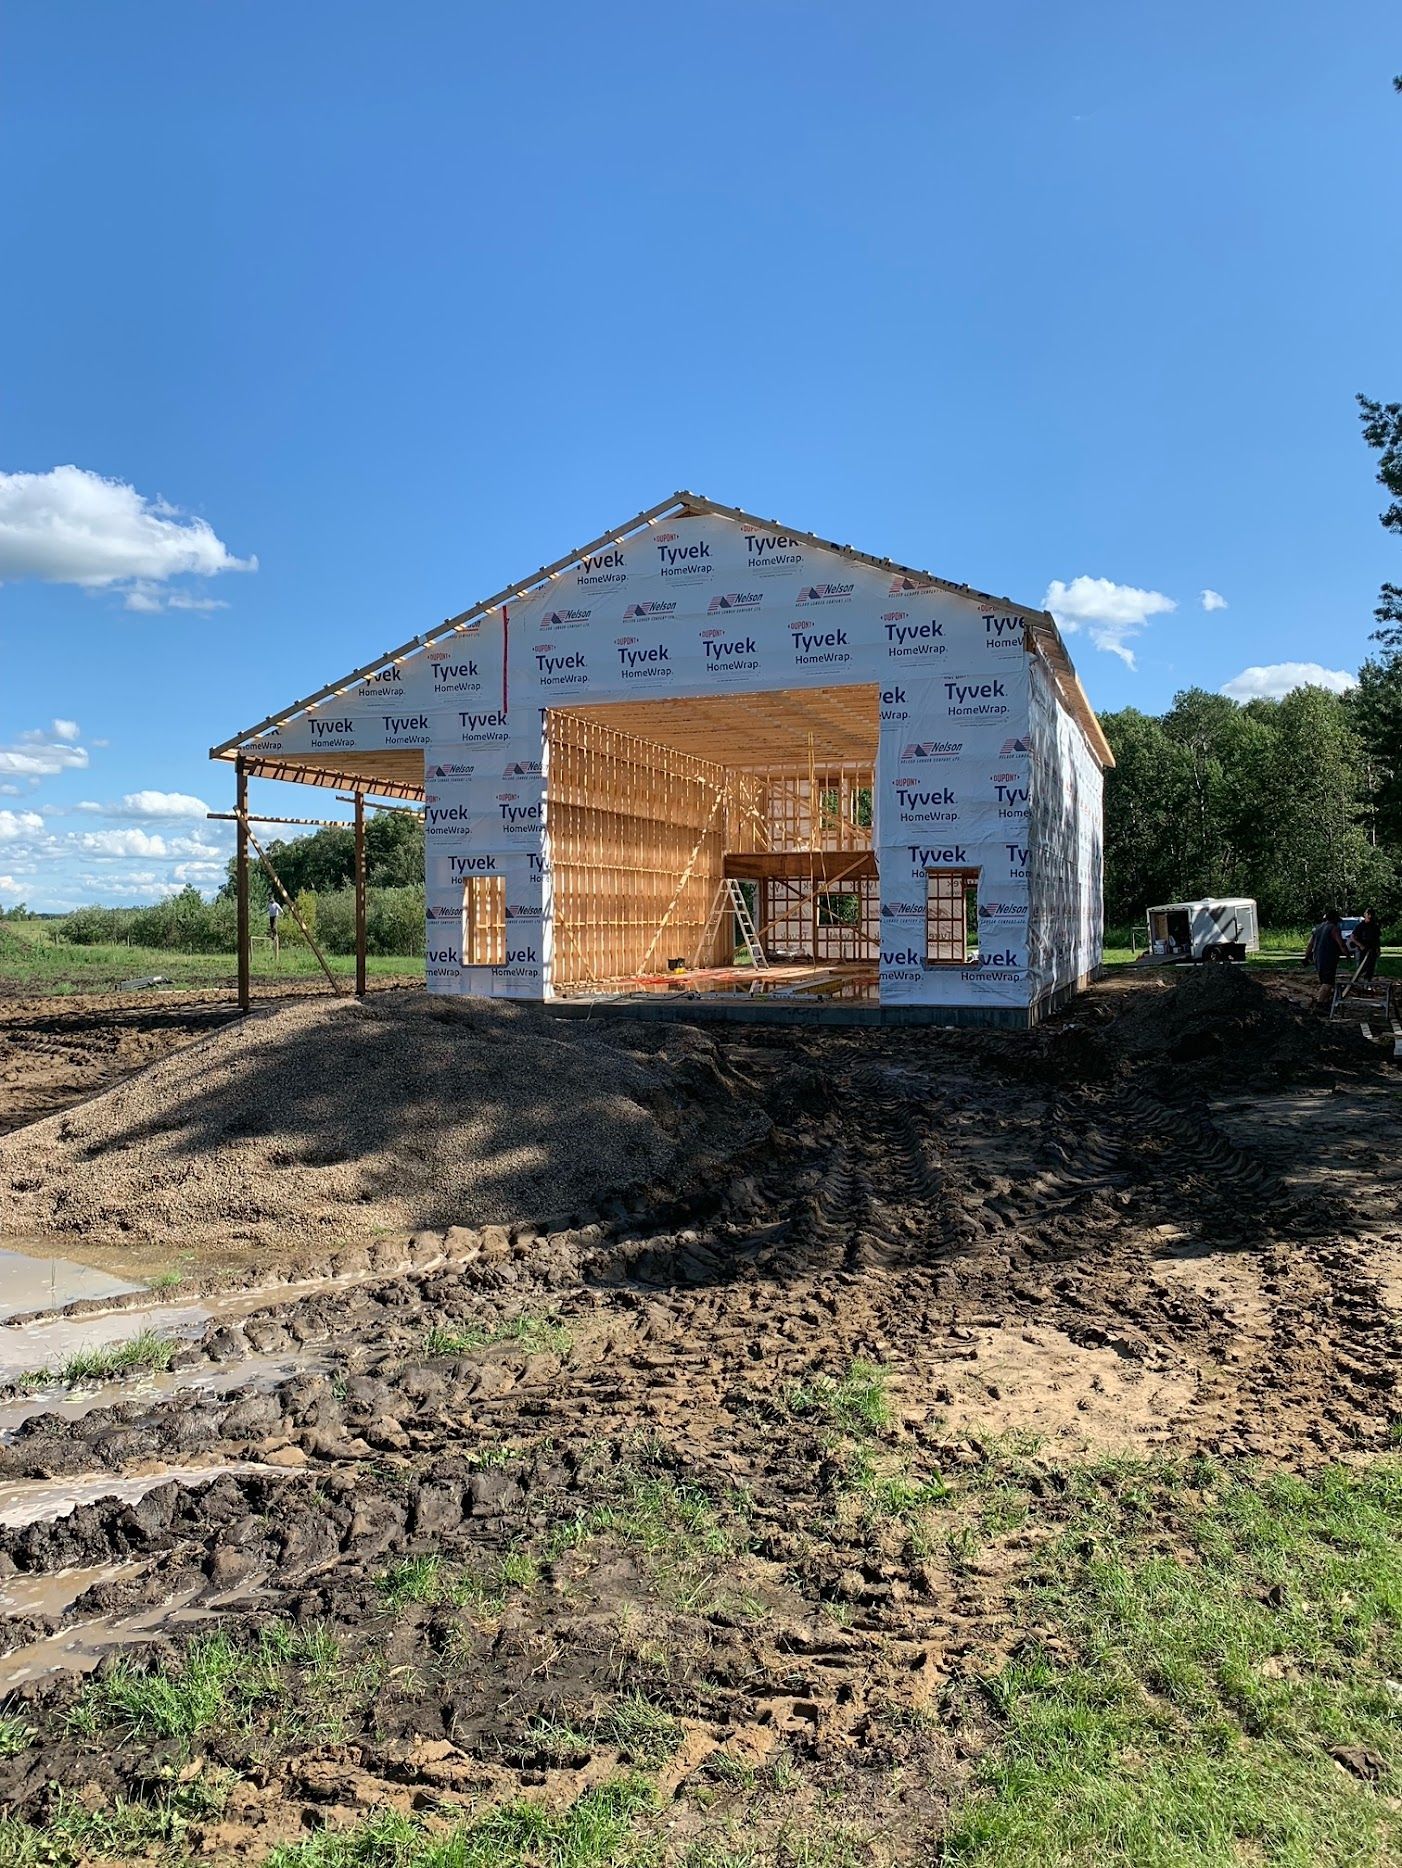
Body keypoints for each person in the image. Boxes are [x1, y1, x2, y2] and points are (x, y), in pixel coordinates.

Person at [1310, 908, 1347, 1011]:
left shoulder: (1317, 928)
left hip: (1317, 958)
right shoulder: (1333, 928)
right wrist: (1347, 954)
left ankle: (1325, 1002)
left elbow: (1310, 944)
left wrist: (1307, 956)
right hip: (1328, 959)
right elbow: (1341, 944)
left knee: (1324, 981)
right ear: (1334, 919)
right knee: (1328, 983)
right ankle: (1319, 1004)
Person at [1349, 907, 1382, 982]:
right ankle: (1354, 981)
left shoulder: (1375, 926)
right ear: (1365, 915)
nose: (1370, 916)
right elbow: (1352, 937)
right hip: (1362, 950)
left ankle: (1367, 982)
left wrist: (1378, 949)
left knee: (1371, 967)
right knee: (1361, 967)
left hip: (1372, 949)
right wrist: (1360, 945)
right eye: (1368, 914)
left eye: (1372, 914)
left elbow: (1377, 939)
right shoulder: (1360, 926)